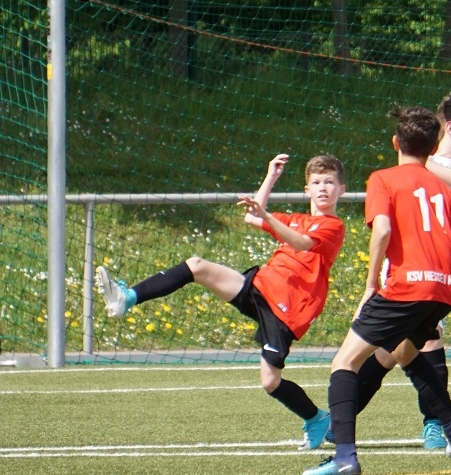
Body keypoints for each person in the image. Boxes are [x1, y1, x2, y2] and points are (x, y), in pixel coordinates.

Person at [96, 153, 347, 450]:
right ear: (307, 189)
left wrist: (266, 216)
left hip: (287, 310)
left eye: (329, 182)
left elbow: (300, 242)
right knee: (196, 266)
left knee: (270, 382)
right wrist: (271, 177)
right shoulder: (297, 220)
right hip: (259, 287)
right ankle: (127, 298)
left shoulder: (333, 226)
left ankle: (317, 419)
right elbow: (252, 216)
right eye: (316, 182)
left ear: (341, 190)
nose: (322, 188)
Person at [303, 106, 451, 475]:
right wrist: (435, 263)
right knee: (405, 352)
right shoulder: (443, 189)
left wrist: (371, 286)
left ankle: (344, 457)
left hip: (406, 286)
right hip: (443, 289)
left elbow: (381, 230)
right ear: (433, 148)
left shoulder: (383, 179)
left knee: (344, 363)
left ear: (396, 142)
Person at [344, 94, 451, 450]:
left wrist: (417, 162)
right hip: (406, 264)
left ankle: (435, 424)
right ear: (450, 128)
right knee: (393, 350)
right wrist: (417, 161)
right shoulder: (417, 164)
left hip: (441, 265)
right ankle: (342, 421)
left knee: (418, 342)